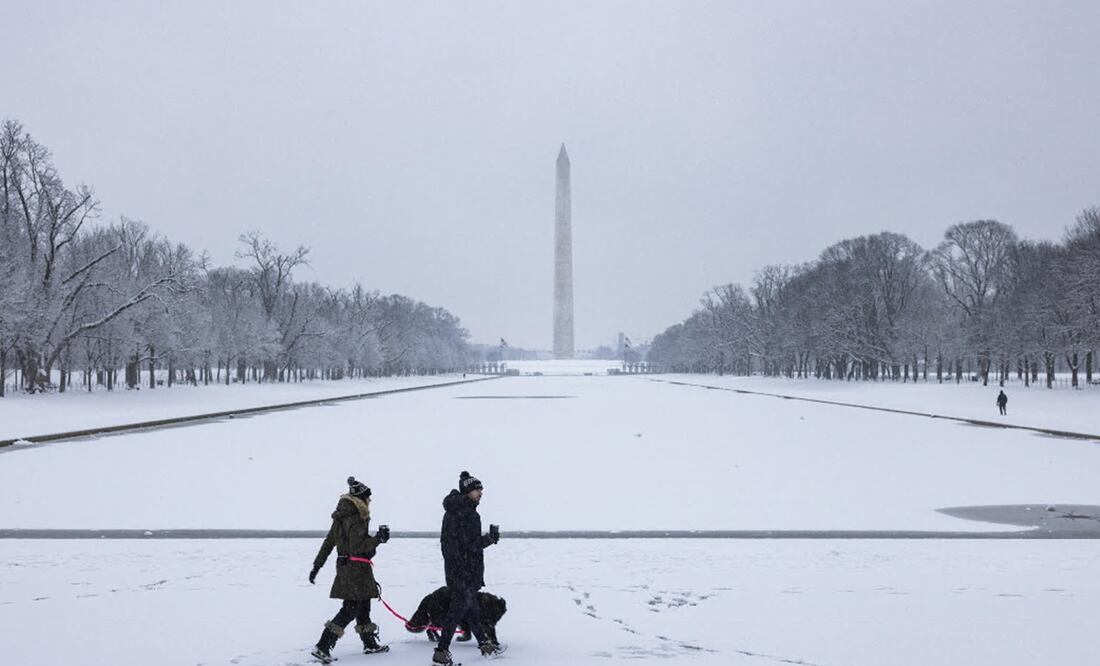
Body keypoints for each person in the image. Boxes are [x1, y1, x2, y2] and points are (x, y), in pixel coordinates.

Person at [308, 476, 391, 663]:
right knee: (351, 608)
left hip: (349, 568)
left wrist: (316, 566)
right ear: (360, 499)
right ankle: (323, 645)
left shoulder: (341, 517)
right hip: (356, 570)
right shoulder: (357, 517)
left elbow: (329, 543)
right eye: (368, 497)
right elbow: (358, 546)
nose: (370, 500)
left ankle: (369, 643)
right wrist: (378, 538)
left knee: (363, 607)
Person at [432, 471, 506, 665]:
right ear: (468, 491)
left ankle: (485, 645)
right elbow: (470, 544)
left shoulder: (454, 511)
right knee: (456, 612)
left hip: (457, 569)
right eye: (478, 490)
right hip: (464, 571)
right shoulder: (467, 513)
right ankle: (441, 652)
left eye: (481, 489)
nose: (481, 493)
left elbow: (454, 544)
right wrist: (489, 539)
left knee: (471, 609)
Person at [405, 586, 507, 645]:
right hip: (442, 600)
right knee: (446, 621)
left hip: (448, 597)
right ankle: (431, 631)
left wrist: (494, 640)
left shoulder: (487, 607)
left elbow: (488, 625)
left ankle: (431, 630)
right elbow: (467, 621)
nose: (495, 620)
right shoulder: (482, 607)